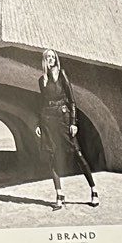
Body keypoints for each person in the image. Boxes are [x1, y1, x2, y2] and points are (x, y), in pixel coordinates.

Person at [34, 49, 98, 209]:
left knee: (77, 153)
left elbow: (72, 100)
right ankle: (59, 195)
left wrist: (73, 122)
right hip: (48, 120)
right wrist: (39, 123)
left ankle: (94, 190)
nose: (51, 59)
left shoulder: (62, 74)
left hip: (63, 118)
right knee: (52, 156)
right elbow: (42, 103)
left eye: (53, 57)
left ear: (56, 59)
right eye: (48, 57)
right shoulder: (42, 80)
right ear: (44, 60)